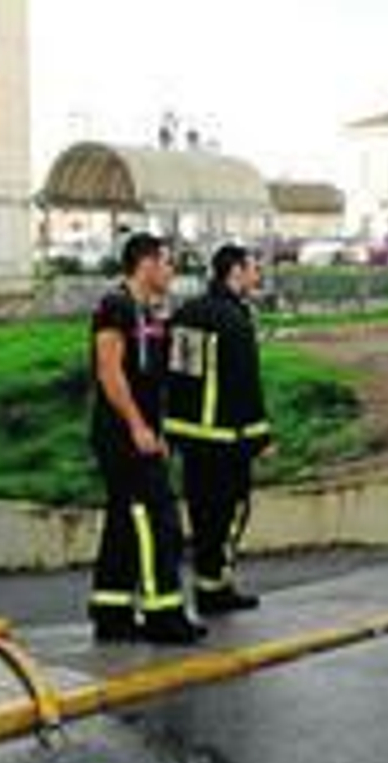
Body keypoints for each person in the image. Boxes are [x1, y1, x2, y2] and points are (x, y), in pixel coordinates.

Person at [88, 233, 205, 643]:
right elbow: (110, 371)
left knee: (124, 521)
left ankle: (112, 611)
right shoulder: (115, 307)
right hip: (123, 435)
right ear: (147, 263)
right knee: (156, 521)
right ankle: (163, 613)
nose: (172, 271)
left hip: (145, 433)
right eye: (168, 263)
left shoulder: (151, 313)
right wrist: (137, 425)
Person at [164, 244, 270, 615]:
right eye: (253, 268)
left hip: (190, 438)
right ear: (236, 271)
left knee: (202, 513)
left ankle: (206, 586)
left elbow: (179, 374)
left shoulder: (187, 314)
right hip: (226, 440)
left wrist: (174, 430)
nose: (257, 276)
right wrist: (260, 437)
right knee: (229, 514)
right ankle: (215, 589)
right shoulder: (235, 321)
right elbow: (245, 384)